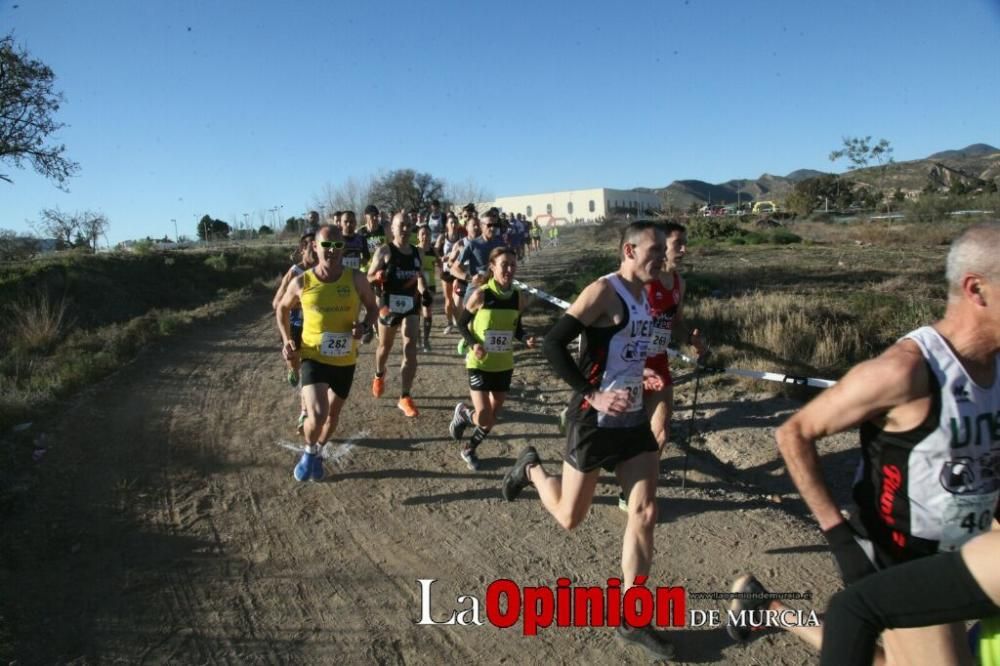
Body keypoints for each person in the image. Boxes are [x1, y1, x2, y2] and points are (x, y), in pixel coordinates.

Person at [731, 222, 1000, 663]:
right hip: (901, 554)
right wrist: (840, 540)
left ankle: (769, 610)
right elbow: (793, 432)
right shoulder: (906, 370)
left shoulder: (995, 365)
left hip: (966, 551)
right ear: (977, 290)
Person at [501, 221, 674, 660]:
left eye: (663, 253)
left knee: (645, 511)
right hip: (594, 421)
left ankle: (632, 618)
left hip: (633, 419)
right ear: (629, 251)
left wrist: (642, 373)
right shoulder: (603, 291)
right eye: (654, 252)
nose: (662, 260)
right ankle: (531, 469)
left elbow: (626, 349)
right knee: (569, 517)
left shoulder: (646, 294)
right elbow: (555, 345)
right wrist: (594, 393)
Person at [276, 224, 377, 482]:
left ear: (343, 247)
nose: (332, 251)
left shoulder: (356, 278)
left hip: (345, 359)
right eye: (326, 246)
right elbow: (281, 309)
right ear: (315, 247)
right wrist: (287, 340)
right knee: (318, 413)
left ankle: (318, 451)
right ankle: (309, 451)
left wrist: (365, 326)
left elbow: (372, 308)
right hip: (313, 356)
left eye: (337, 246)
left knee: (332, 415)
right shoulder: (303, 282)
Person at [449, 247, 536, 470]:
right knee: (485, 416)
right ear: (492, 267)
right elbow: (461, 323)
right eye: (504, 264)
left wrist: (525, 338)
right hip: (479, 363)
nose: (509, 269)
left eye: (513, 265)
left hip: (503, 364)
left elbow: (517, 328)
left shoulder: (518, 298)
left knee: (493, 416)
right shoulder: (481, 294)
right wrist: (474, 344)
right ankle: (464, 414)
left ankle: (469, 449)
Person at [367, 212, 429, 417]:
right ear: (392, 228)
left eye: (408, 225)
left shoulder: (418, 253)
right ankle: (378, 374)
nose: (405, 228)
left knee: (411, 347)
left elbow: (420, 276)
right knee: (385, 347)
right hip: (388, 305)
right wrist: (376, 276)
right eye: (401, 225)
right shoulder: (384, 251)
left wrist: (424, 291)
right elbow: (367, 278)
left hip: (410, 304)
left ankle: (405, 396)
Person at [436, 213, 465, 333]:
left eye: (455, 222)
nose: (453, 225)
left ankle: (459, 323)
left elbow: (465, 251)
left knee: (456, 298)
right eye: (451, 222)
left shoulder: (461, 237)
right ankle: (449, 322)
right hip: (446, 271)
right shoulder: (443, 237)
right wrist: (441, 258)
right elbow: (435, 250)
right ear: (447, 225)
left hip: (458, 272)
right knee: (448, 300)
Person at [415, 223, 441, 352]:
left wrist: (442, 269)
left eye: (428, 234)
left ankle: (425, 340)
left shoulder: (433, 250)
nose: (425, 236)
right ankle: (418, 338)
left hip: (430, 285)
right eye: (422, 234)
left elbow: (440, 263)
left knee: (427, 312)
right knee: (416, 312)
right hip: (415, 286)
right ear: (418, 237)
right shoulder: (414, 250)